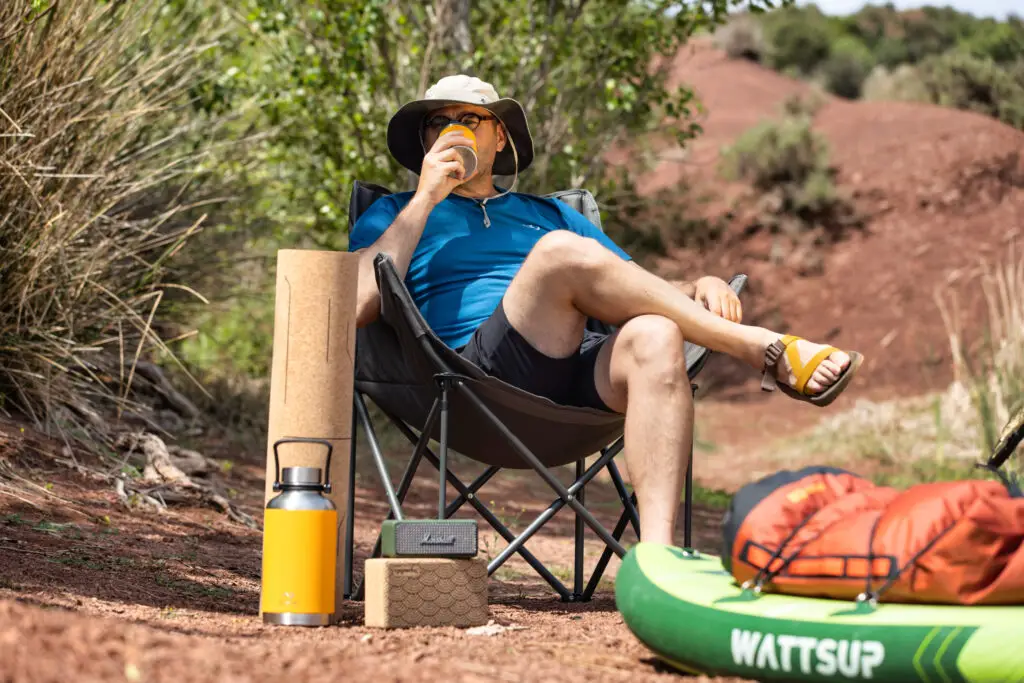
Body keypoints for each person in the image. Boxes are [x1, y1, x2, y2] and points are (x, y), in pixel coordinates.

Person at [349, 75, 863, 546]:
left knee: (657, 333)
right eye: (439, 122)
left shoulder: (547, 214)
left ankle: (657, 558)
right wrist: (425, 198)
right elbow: (350, 304)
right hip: (468, 379)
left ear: (499, 137)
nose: (453, 130)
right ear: (425, 142)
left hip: (575, 375)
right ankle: (758, 347)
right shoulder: (396, 213)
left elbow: (629, 284)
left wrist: (699, 283)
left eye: (469, 119)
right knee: (557, 252)